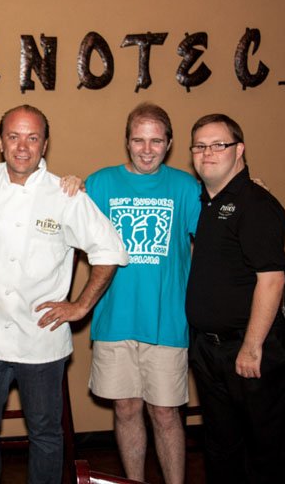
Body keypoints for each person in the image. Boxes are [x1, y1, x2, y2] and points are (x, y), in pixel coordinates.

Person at [0, 104, 129, 484]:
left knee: (45, 434)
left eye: (32, 137)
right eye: (14, 136)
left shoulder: (65, 194)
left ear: (45, 144)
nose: (22, 146)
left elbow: (110, 250)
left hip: (41, 339)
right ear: (0, 141)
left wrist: (81, 306)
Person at [85, 103, 201, 484]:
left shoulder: (186, 187)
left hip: (167, 320)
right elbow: (64, 233)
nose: (147, 149)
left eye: (156, 141)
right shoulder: (99, 184)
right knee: (125, 408)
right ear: (127, 142)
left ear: (168, 144)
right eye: (139, 140)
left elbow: (216, 242)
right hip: (114, 320)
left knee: (166, 413)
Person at [185, 114, 285, 484]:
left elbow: (272, 279)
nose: (207, 152)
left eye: (218, 145)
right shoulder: (206, 203)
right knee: (220, 445)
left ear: (239, 150)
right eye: (199, 146)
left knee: (265, 450)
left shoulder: (255, 204)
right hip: (208, 352)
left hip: (247, 351)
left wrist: (251, 346)